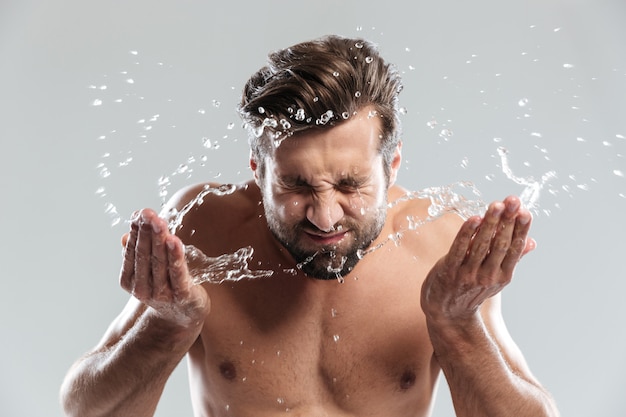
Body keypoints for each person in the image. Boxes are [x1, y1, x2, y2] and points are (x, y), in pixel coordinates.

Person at [60, 35, 559, 417]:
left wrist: (457, 326)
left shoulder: (443, 249)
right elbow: (85, 408)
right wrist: (165, 327)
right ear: (257, 171)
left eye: (350, 184)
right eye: (296, 185)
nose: (324, 216)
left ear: (393, 167)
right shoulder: (202, 231)